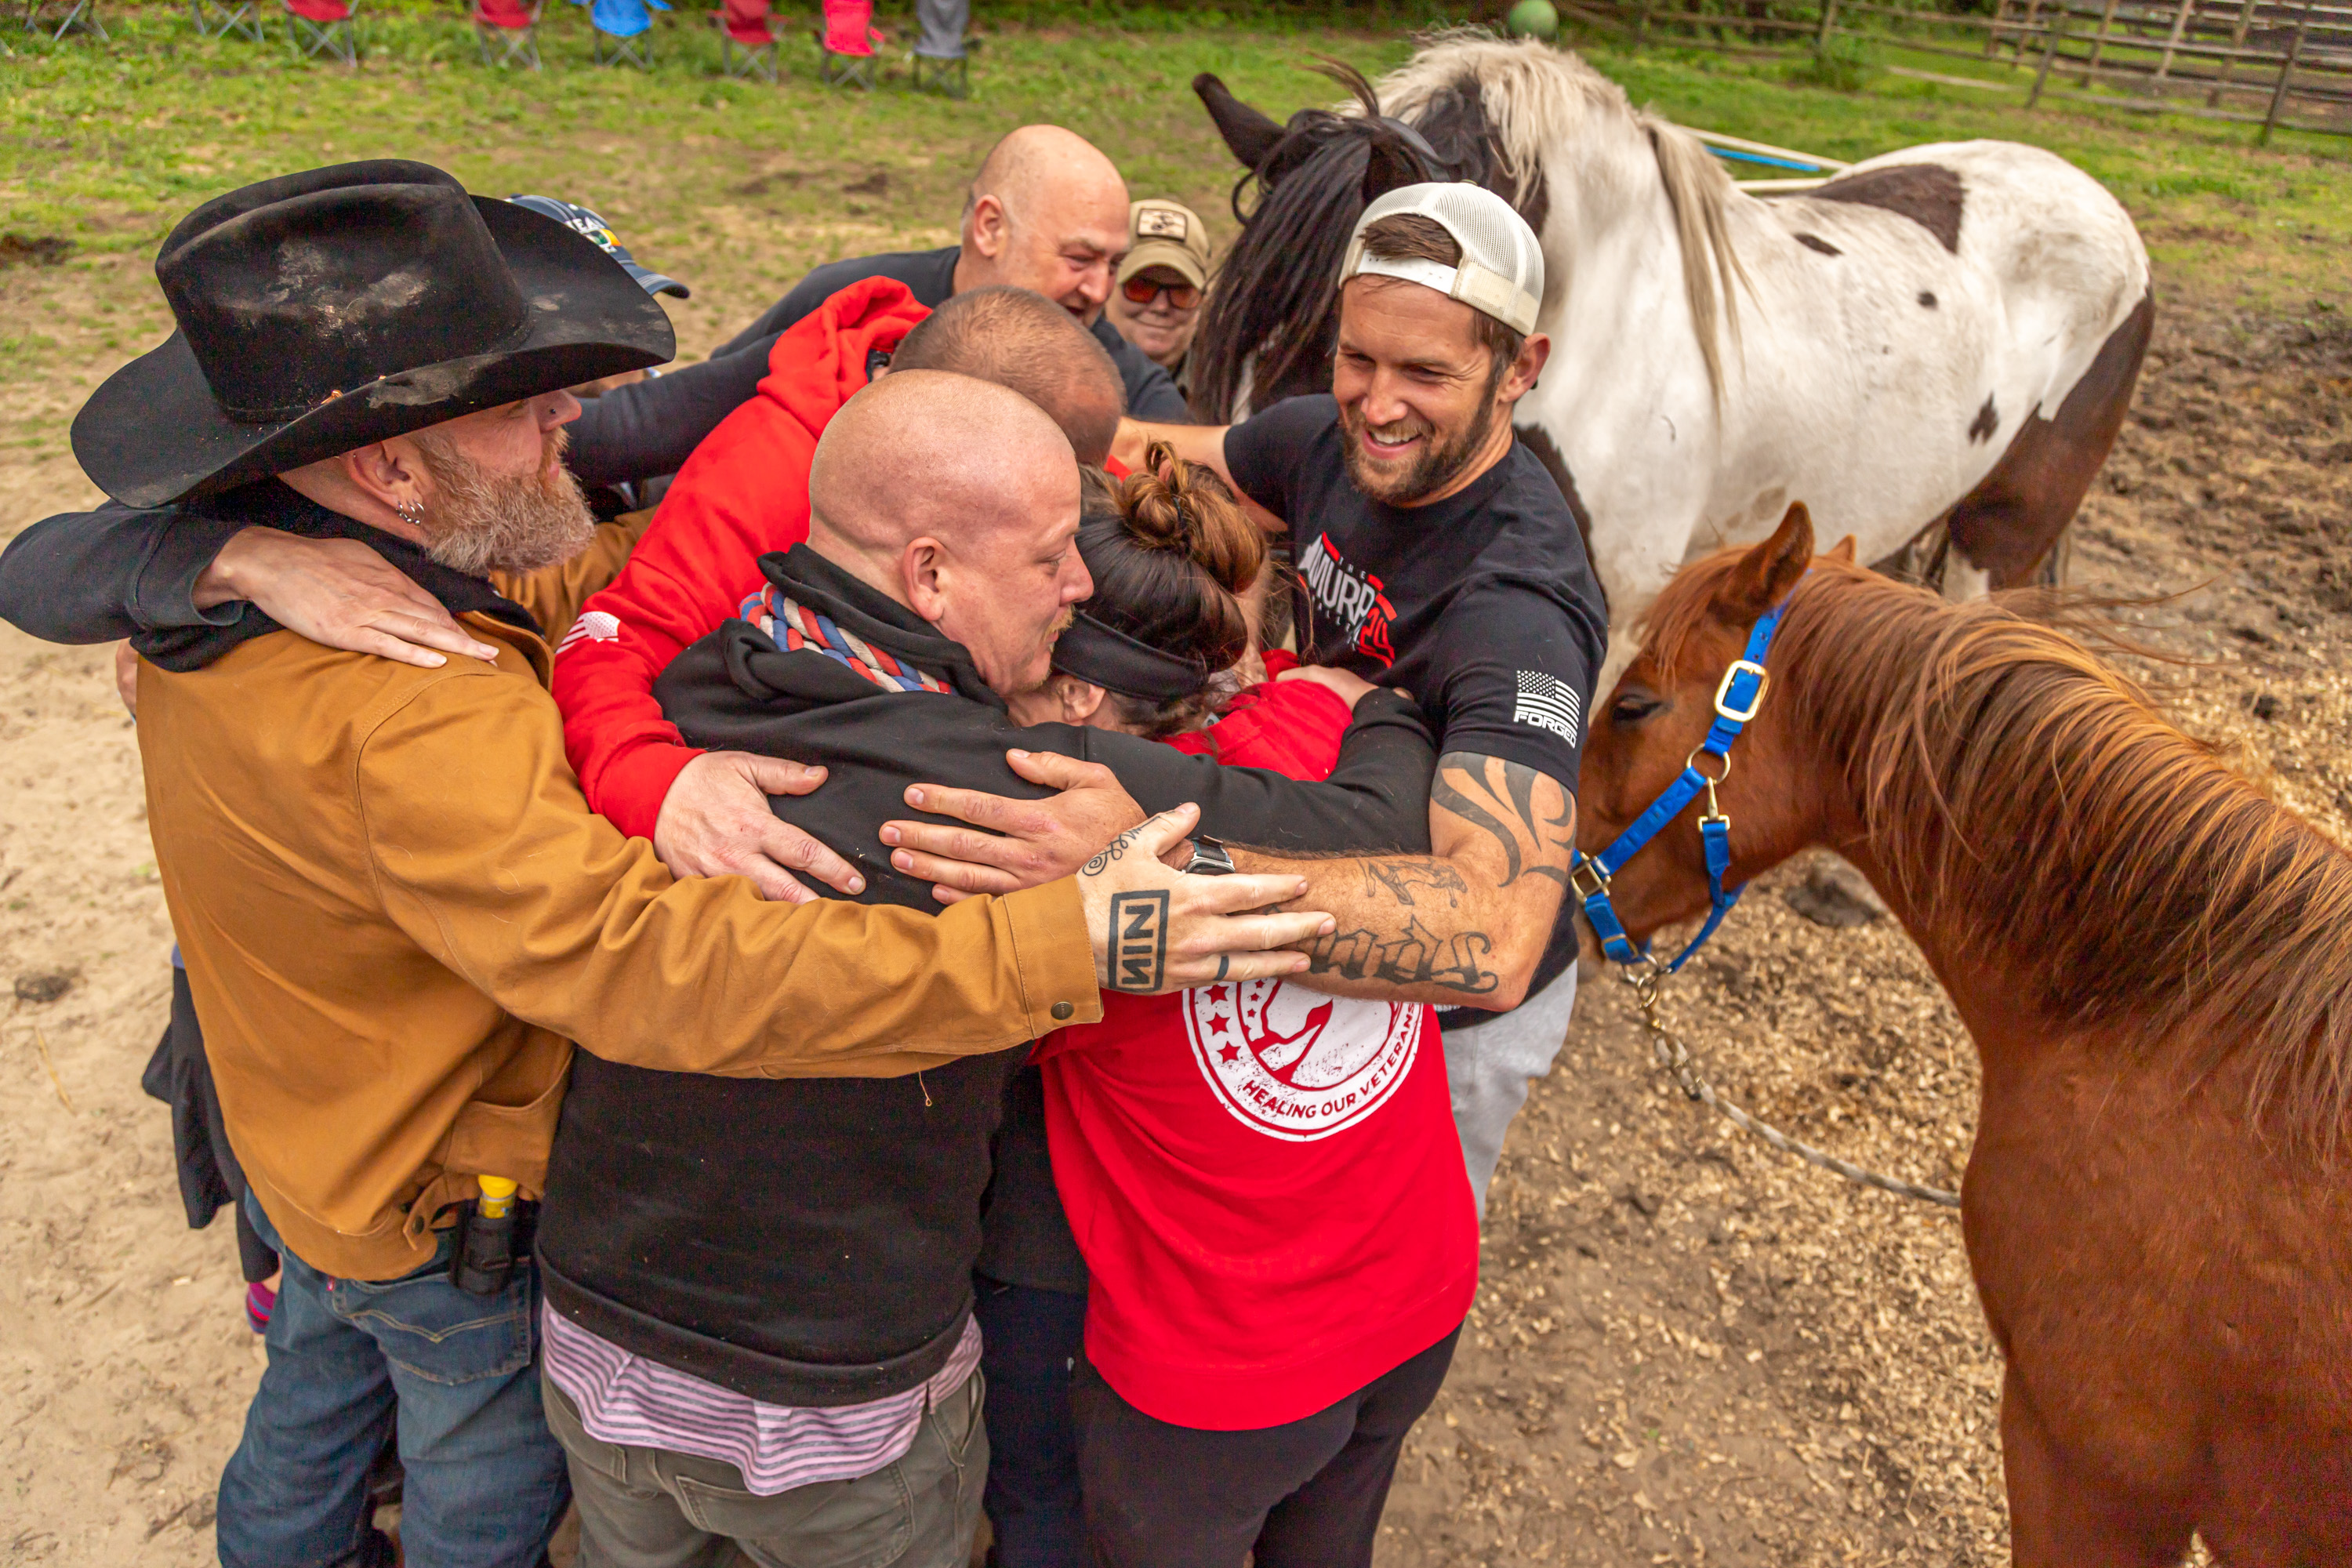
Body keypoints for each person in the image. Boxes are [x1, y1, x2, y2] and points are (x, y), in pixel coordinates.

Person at [0, 161, 1326, 1568]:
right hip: (445, 1200)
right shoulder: (411, 706)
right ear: (388, 466)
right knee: (483, 1494)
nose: (574, 417)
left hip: (310, 1144)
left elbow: (61, 561)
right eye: (523, 408)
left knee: (312, 1411)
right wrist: (1062, 942)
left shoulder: (291, 590)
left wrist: (216, 562)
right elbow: (655, 965)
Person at [534, 387, 1439, 1568]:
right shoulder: (1014, 798)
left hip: (596, 1338)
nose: (1076, 585)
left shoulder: (674, 701)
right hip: (836, 1393)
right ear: (931, 576)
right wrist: (1368, 710)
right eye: (1053, 556)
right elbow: (1370, 832)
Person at [887, 182, 1610, 1215]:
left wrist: (1159, 863)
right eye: (1358, 358)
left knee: (1369, 1238)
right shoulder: (1328, 441)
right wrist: (937, 398)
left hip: (1444, 1013)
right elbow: (1127, 443)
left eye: (1426, 373)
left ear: (1519, 371)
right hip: (1314, 859)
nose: (1380, 402)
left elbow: (1493, 940)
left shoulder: (1520, 604)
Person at [564, 124, 1191, 495]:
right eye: (1081, 259)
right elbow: (681, 423)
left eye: (1115, 264)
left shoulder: (1117, 372)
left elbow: (1202, 487)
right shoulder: (855, 300)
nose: (1099, 290)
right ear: (991, 227)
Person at [1104, 198, 1210, 400]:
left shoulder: (1229, 388)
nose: (1161, 306)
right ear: (1105, 287)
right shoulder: (1061, 370)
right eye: (1141, 288)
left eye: (1181, 292)